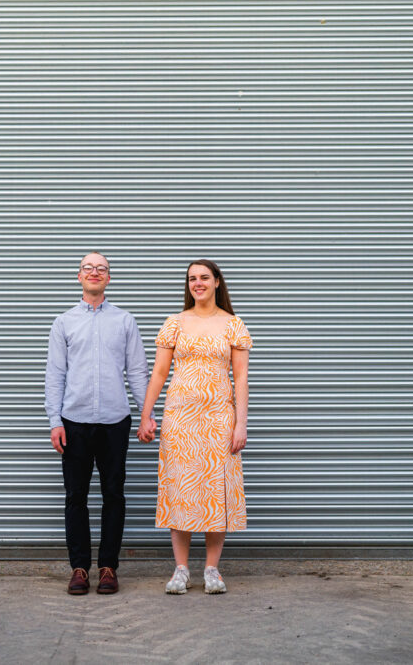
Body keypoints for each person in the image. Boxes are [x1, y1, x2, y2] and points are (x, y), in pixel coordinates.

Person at [138, 259, 252, 594]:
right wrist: (147, 414)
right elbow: (159, 373)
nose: (197, 283)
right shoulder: (175, 323)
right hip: (180, 419)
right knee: (181, 490)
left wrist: (240, 424)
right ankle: (181, 570)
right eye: (192, 278)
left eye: (204, 277)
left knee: (217, 492)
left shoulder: (233, 325)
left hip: (219, 419)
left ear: (217, 282)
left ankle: (212, 570)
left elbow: (242, 377)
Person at [45, 252, 150, 595]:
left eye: (102, 268)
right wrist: (54, 420)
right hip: (73, 423)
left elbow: (137, 372)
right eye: (88, 268)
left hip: (114, 422)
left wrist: (146, 414)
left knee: (113, 496)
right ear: (79, 277)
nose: (95, 272)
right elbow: (55, 375)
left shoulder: (124, 321)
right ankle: (79, 568)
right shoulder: (63, 322)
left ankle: (108, 568)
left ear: (109, 278)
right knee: (75, 497)